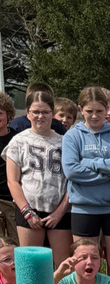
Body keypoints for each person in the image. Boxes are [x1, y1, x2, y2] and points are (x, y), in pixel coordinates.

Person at [61, 86, 110, 284]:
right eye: (89, 111)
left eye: (99, 111)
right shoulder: (72, 137)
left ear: (106, 109)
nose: (95, 116)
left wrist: (90, 163)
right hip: (84, 208)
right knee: (85, 265)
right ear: (80, 109)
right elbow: (72, 171)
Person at [4, 90, 72, 266]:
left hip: (60, 211)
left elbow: (72, 181)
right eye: (35, 112)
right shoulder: (18, 141)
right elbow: (12, 181)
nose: (40, 116)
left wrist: (60, 212)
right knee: (30, 266)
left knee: (63, 266)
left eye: (45, 112)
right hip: (29, 210)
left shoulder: (65, 142)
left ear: (52, 113)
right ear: (28, 113)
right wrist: (27, 212)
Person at [0, 93, 17, 242]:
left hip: (14, 201)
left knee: (19, 245)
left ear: (8, 115)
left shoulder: (18, 139)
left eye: (0, 113)